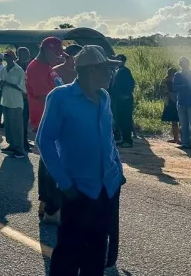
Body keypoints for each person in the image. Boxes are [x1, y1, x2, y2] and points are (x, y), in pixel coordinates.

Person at [36, 45, 125, 276]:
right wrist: (65, 183)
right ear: (91, 70)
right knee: (69, 252)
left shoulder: (104, 97)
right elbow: (44, 141)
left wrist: (118, 171)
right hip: (78, 190)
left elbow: (108, 138)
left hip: (107, 188)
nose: (110, 74)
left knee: (96, 252)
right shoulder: (61, 97)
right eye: (106, 69)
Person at [27, 36, 65, 224]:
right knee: (51, 167)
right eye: (56, 53)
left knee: (49, 165)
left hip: (55, 121)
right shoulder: (36, 68)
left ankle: (47, 204)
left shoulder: (48, 68)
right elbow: (45, 97)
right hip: (46, 121)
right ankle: (51, 209)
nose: (58, 57)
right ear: (47, 50)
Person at [0, 50, 26, 158]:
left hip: (15, 103)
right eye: (6, 56)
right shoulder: (4, 69)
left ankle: (19, 149)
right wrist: (1, 83)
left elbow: (22, 88)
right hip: (6, 100)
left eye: (9, 56)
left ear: (13, 58)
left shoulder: (19, 70)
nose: (7, 58)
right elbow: (0, 82)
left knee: (17, 127)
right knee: (8, 126)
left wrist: (8, 84)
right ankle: (12, 145)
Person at [111, 54, 135, 148]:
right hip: (117, 99)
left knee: (126, 120)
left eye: (118, 60)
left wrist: (126, 95)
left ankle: (128, 141)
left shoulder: (126, 71)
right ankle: (123, 139)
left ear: (123, 61)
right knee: (120, 120)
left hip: (125, 100)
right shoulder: (117, 70)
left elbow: (131, 83)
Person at [16, 47, 33, 151]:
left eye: (28, 53)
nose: (28, 55)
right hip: (18, 98)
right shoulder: (15, 66)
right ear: (19, 55)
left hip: (27, 97)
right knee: (20, 121)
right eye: (26, 54)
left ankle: (24, 140)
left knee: (25, 121)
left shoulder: (28, 65)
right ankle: (21, 143)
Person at [161, 68, 180, 143]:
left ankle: (176, 138)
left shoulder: (165, 81)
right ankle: (178, 138)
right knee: (177, 121)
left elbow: (163, 92)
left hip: (171, 101)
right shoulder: (176, 81)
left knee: (174, 121)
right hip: (176, 101)